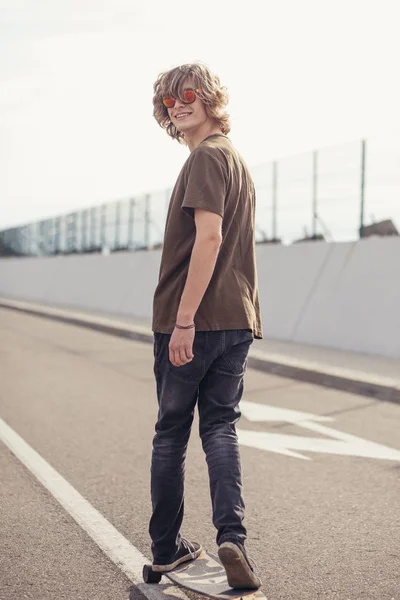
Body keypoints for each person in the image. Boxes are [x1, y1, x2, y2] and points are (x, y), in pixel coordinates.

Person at [149, 62, 263, 589]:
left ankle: (168, 549)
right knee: (220, 427)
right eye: (170, 100)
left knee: (172, 433)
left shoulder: (206, 160)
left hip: (194, 321)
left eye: (188, 93)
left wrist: (184, 320)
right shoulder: (235, 161)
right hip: (238, 317)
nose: (179, 104)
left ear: (211, 98)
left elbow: (210, 239)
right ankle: (231, 539)